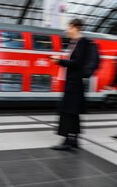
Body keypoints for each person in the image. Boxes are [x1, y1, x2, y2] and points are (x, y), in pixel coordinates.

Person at [50, 18, 89, 150]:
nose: (68, 30)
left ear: (76, 28)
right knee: (73, 112)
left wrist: (59, 61)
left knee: (67, 111)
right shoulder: (75, 42)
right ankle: (74, 141)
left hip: (74, 84)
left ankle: (67, 141)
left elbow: (77, 63)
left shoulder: (82, 42)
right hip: (73, 82)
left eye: (69, 27)